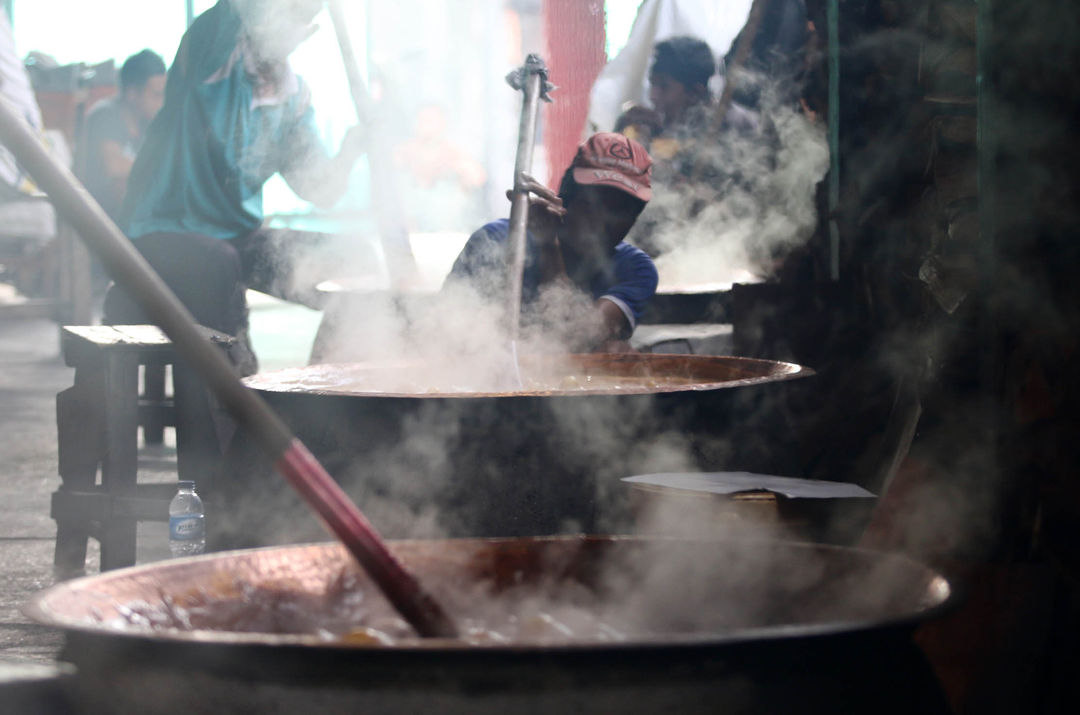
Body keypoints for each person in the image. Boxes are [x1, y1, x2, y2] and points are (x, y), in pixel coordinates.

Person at [103, 0, 368, 490]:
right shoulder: (214, 55)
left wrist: (353, 147)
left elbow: (319, 187)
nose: (290, 25)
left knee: (353, 258)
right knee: (218, 266)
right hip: (161, 231)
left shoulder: (292, 95)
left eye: (301, 18)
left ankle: (321, 415)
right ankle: (236, 429)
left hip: (235, 235)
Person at [445, 132, 658, 353]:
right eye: (594, 205)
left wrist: (549, 247)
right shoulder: (497, 241)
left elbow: (571, 338)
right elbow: (447, 334)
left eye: (621, 212)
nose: (604, 223)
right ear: (566, 196)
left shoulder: (634, 269)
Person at [78, 49, 166, 222]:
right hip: (99, 218)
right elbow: (115, 168)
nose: (162, 103)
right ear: (132, 93)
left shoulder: (147, 122)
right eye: (156, 95)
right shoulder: (104, 115)